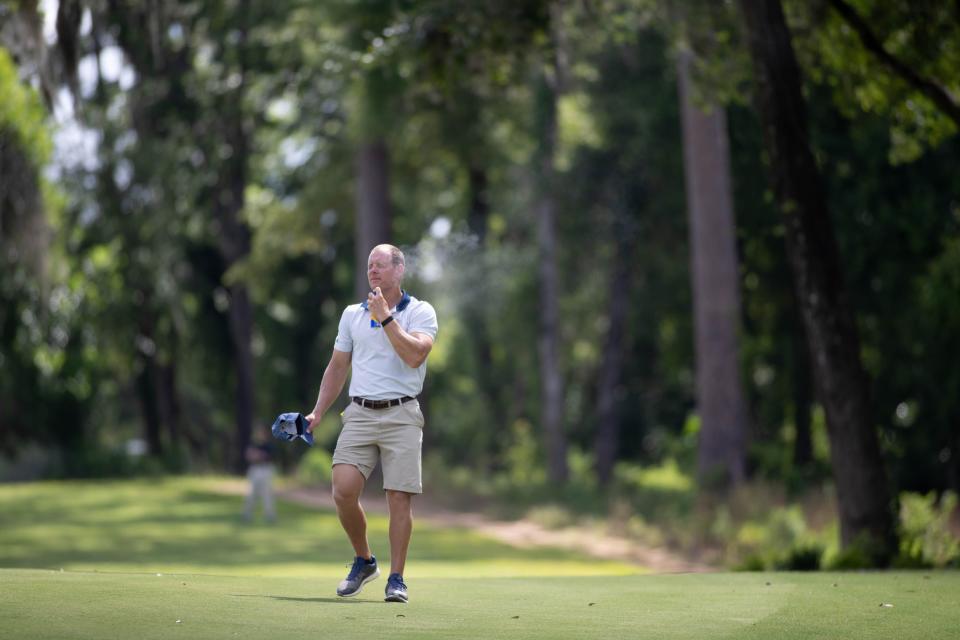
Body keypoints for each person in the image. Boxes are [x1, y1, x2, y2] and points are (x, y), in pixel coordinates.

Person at [306, 243, 438, 604]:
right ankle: (364, 560)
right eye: (369, 266)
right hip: (360, 412)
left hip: (402, 414)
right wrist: (318, 412)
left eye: (381, 265)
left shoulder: (421, 311)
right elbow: (337, 368)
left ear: (399, 270)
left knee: (398, 497)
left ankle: (396, 579)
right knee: (343, 490)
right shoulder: (351, 314)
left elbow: (414, 356)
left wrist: (387, 319)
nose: (373, 271)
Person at [243, 427, 277, 523]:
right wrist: (256, 455)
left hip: (265, 469)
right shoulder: (254, 444)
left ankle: (270, 515)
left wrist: (257, 455)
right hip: (254, 469)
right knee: (250, 493)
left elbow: (265, 456)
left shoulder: (268, 445)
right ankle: (247, 515)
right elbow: (249, 455)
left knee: (267, 494)